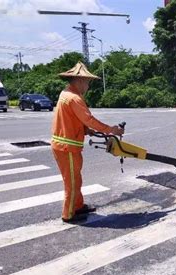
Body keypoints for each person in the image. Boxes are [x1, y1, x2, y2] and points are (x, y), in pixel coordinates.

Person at [51, 61, 124, 223]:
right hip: (67, 147)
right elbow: (88, 119)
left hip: (68, 146)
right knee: (71, 182)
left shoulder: (66, 94)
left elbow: (73, 120)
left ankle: (78, 205)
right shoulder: (74, 98)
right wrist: (111, 129)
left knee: (76, 178)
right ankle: (69, 214)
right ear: (79, 81)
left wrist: (85, 130)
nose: (88, 86)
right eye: (87, 82)